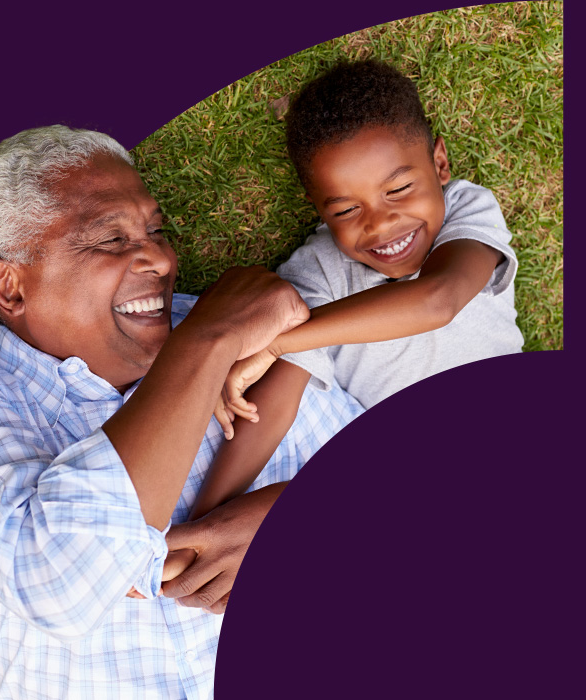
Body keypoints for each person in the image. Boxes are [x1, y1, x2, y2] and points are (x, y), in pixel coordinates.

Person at [0, 125, 362, 700]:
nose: (159, 257)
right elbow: (59, 581)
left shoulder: (252, 340)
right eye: (109, 239)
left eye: (156, 231)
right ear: (9, 287)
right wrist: (205, 343)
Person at [191, 59, 524, 519]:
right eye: (347, 210)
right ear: (320, 211)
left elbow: (439, 299)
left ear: (440, 164)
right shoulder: (318, 273)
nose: (381, 223)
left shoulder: (465, 212)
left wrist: (276, 341)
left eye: (401, 188)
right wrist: (205, 519)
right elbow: (275, 403)